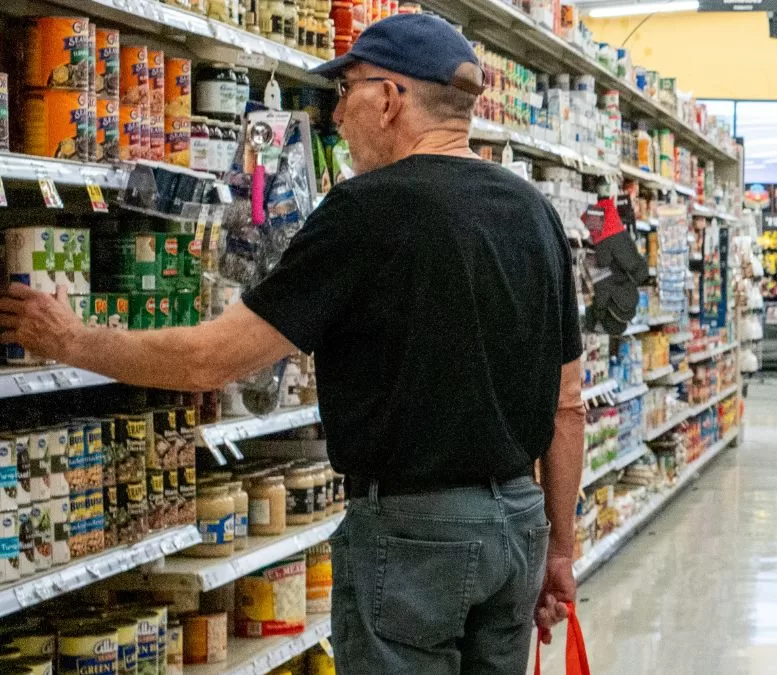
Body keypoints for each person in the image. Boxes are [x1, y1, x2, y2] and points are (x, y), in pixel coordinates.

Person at [0, 14, 585, 674]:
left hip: (413, 534)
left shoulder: (365, 209)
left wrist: (73, 339)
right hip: (518, 525)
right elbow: (567, 406)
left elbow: (209, 358)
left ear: (389, 99)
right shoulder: (535, 211)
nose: (338, 116)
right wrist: (559, 548)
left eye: (348, 91)